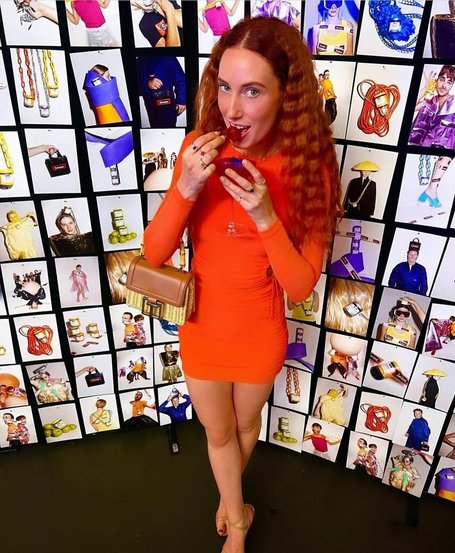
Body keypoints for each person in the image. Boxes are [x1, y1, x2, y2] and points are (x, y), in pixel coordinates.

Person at [142, 16, 340, 552]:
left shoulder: (310, 168)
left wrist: (266, 216)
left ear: (286, 96)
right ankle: (238, 518)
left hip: (260, 332)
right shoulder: (198, 148)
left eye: (252, 91)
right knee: (218, 432)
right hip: (203, 325)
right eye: (225, 86)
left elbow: (300, 287)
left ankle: (231, 501)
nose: (231, 108)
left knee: (245, 426)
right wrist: (184, 189)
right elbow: (153, 255)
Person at [408, 65, 455, 150]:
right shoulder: (430, 101)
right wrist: (426, 88)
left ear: (452, 85)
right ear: (436, 81)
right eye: (442, 80)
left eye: (449, 82)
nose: (444, 85)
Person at [137, 56, 186, 128]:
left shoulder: (168, 57)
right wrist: (147, 84)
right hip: (150, 106)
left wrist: (182, 101)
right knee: (155, 129)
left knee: (169, 130)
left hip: (167, 107)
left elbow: (181, 81)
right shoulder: (141, 60)